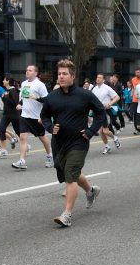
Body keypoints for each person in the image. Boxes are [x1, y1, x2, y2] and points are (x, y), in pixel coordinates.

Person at [37, 60, 107, 227]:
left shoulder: (85, 94)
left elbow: (101, 113)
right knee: (70, 173)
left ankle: (67, 214)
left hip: (79, 142)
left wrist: (90, 132)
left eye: (65, 74)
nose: (61, 76)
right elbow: (44, 116)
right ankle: (91, 191)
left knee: (70, 174)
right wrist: (50, 127)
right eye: (59, 74)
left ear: (73, 76)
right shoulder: (52, 97)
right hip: (59, 144)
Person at [12, 65, 53, 170]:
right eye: (26, 70)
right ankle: (22, 161)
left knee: (42, 137)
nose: (27, 72)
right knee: (22, 137)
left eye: (30, 70)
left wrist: (37, 98)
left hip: (36, 117)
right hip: (25, 115)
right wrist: (19, 104)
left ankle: (49, 155)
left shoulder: (40, 85)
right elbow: (23, 97)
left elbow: (47, 100)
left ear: (35, 73)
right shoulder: (24, 84)